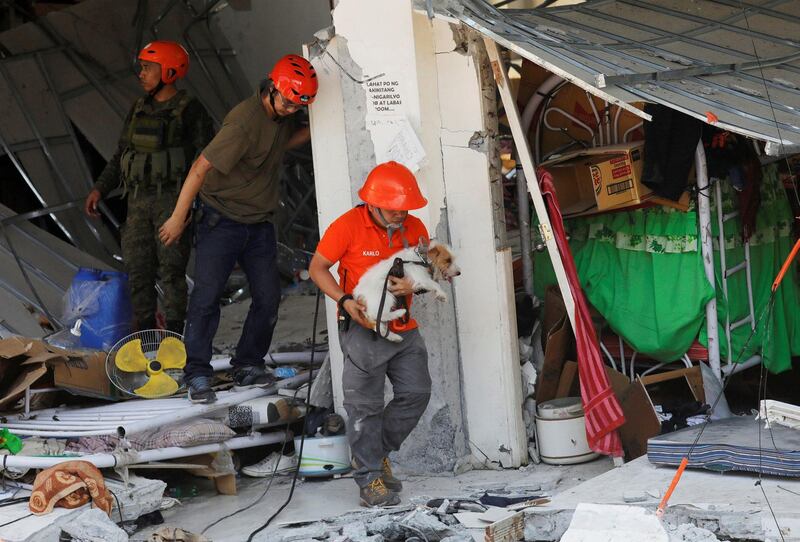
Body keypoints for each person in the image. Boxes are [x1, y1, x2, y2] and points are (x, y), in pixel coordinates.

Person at [159, 54, 318, 404]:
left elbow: (277, 145)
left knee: (268, 297)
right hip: (222, 221)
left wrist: (308, 131)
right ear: (272, 90)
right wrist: (177, 217)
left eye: (298, 106)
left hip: (259, 224)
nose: (292, 110)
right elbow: (200, 167)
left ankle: (247, 364)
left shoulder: (280, 117)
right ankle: (197, 374)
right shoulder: (243, 123)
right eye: (289, 103)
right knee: (206, 299)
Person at [308, 161, 432, 508]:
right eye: (394, 210)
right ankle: (368, 478)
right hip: (363, 330)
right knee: (364, 407)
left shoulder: (415, 226)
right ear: (373, 204)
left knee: (417, 393)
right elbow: (317, 268)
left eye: (405, 209)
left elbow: (428, 267)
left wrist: (414, 283)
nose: (401, 215)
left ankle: (377, 454)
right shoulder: (347, 227)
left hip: (403, 329)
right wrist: (344, 300)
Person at [84, 41, 213, 333]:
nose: (141, 74)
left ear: (168, 71)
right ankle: (145, 340)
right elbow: (121, 154)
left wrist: (187, 209)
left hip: (172, 202)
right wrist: (99, 189)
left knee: (171, 274)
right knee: (138, 273)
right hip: (138, 204)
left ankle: (174, 340)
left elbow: (207, 160)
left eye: (147, 68)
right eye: (141, 67)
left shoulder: (190, 110)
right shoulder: (138, 108)